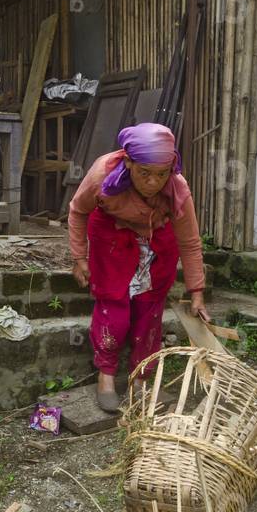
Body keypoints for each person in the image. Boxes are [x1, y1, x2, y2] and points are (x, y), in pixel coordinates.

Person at [68, 123, 210, 412]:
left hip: (157, 243)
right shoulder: (102, 175)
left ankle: (141, 379)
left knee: (149, 315)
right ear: (128, 161)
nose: (153, 182)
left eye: (161, 174)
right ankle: (106, 378)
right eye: (144, 173)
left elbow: (190, 242)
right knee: (114, 312)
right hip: (111, 237)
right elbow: (77, 211)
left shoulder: (177, 188)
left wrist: (197, 290)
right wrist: (79, 257)